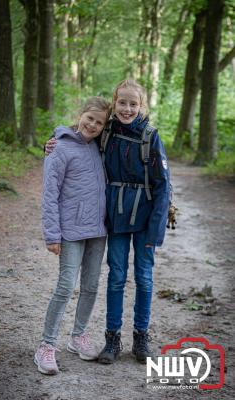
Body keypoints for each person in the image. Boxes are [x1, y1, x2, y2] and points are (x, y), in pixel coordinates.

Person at [45, 79, 171, 365]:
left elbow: (164, 185)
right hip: (114, 218)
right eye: (122, 103)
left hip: (144, 218)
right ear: (115, 103)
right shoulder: (107, 131)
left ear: (141, 106)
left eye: (133, 103)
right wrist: (51, 142)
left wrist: (156, 230)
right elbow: (78, 136)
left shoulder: (151, 136)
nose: (127, 108)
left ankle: (141, 337)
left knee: (144, 277)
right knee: (115, 277)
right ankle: (112, 338)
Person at [35, 97, 111, 375]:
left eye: (99, 122)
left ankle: (78, 336)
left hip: (98, 231)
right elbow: (50, 195)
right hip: (70, 231)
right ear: (80, 115)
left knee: (91, 286)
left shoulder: (102, 148)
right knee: (66, 286)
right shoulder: (59, 148)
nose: (92, 124)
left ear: (104, 127)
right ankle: (46, 345)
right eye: (89, 118)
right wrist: (51, 234)